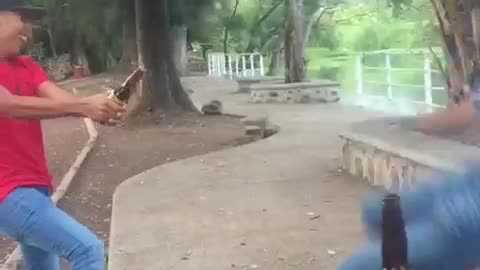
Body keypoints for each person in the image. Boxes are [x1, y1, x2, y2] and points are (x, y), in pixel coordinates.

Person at [0, 0, 126, 269]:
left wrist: (99, 109)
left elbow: (61, 100)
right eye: (22, 18)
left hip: (36, 190)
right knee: (88, 250)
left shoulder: (26, 66)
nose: (28, 31)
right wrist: (84, 105)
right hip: (8, 193)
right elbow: (8, 105)